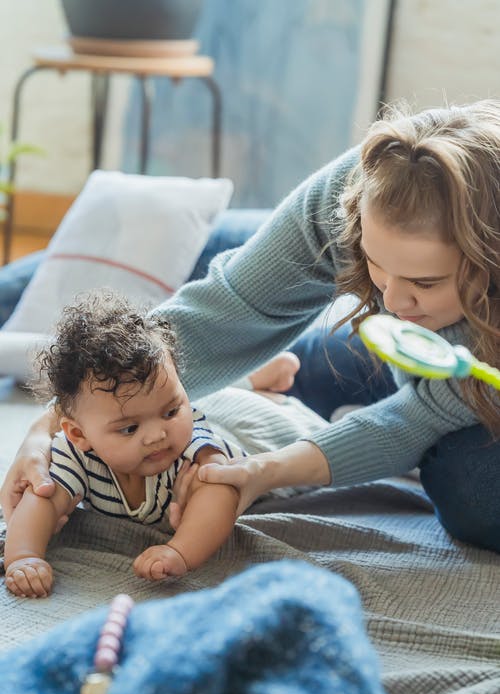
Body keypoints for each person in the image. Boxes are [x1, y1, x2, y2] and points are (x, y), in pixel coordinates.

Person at [1, 100, 499, 553]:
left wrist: (260, 472)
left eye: (424, 282)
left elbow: (412, 420)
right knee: (167, 250)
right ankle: (264, 365)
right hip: (337, 302)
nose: (390, 299)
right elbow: (228, 310)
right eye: (375, 264)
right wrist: (51, 424)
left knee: (474, 497)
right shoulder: (361, 187)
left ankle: (264, 377)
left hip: (469, 370)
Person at [0, 291, 308, 598]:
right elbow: (42, 498)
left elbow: (221, 494)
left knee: (289, 425)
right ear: (80, 435)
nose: (157, 435)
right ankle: (255, 379)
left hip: (256, 428)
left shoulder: (193, 446)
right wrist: (24, 557)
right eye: (130, 428)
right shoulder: (74, 454)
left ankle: (258, 383)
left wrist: (180, 551)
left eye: (171, 411)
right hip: (206, 405)